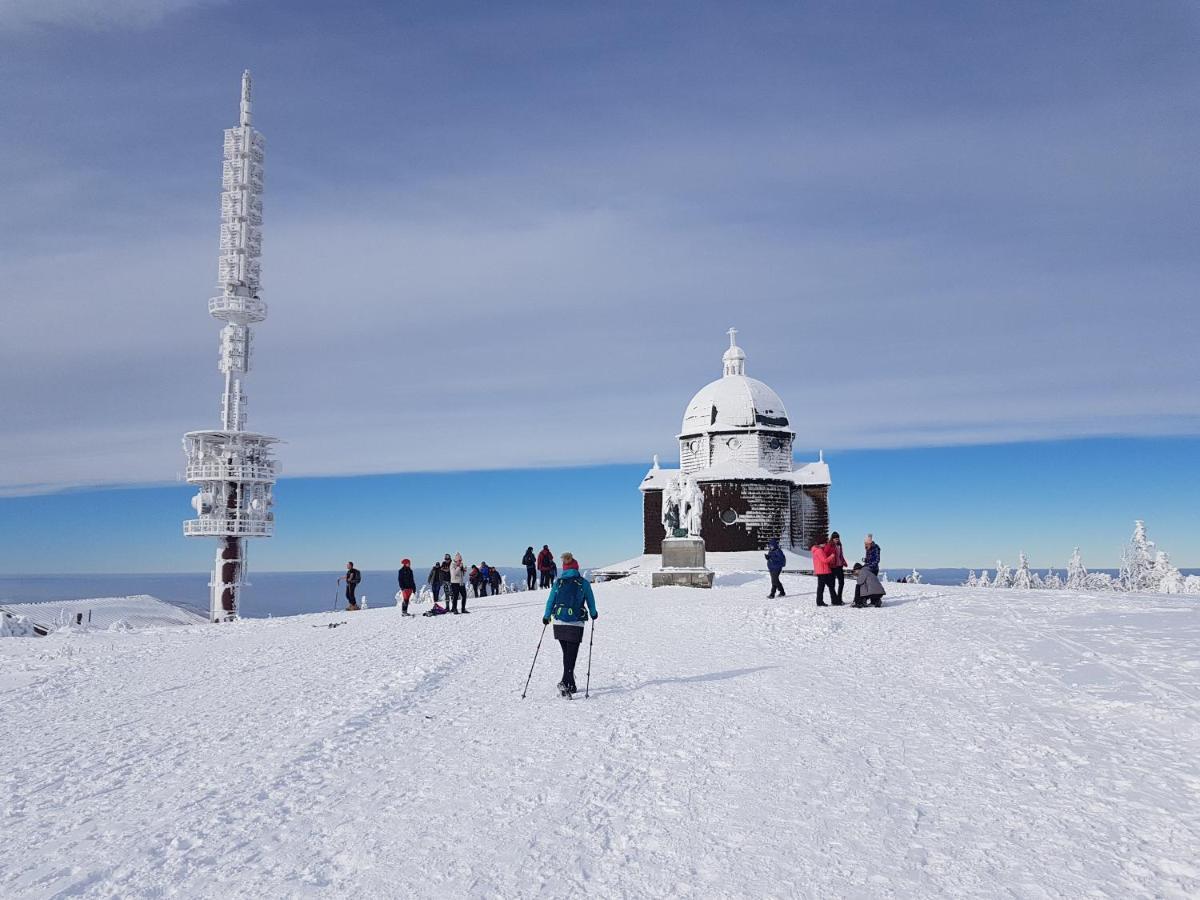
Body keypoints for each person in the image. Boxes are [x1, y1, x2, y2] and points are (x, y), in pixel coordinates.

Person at [541, 552, 597, 697]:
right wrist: (593, 613)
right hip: (576, 623)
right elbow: (590, 600)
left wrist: (547, 616)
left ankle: (570, 684)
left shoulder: (558, 582)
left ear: (564, 569)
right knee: (571, 655)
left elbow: (550, 600)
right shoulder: (583, 582)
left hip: (559, 622)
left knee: (567, 654)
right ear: (576, 568)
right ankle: (565, 683)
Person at [810, 542, 840, 607]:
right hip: (823, 571)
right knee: (823, 587)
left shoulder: (816, 550)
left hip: (822, 571)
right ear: (820, 543)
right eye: (824, 543)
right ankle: (821, 602)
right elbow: (824, 560)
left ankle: (834, 601)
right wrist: (832, 556)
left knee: (828, 586)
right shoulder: (819, 550)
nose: (825, 545)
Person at [826, 531, 848, 604]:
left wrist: (844, 561)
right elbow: (826, 554)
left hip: (839, 566)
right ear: (832, 539)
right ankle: (834, 600)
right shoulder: (829, 545)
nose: (837, 540)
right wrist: (829, 562)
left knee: (841, 583)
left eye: (838, 538)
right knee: (832, 584)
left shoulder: (839, 545)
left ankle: (839, 599)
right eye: (835, 538)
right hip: (832, 567)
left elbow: (841, 555)